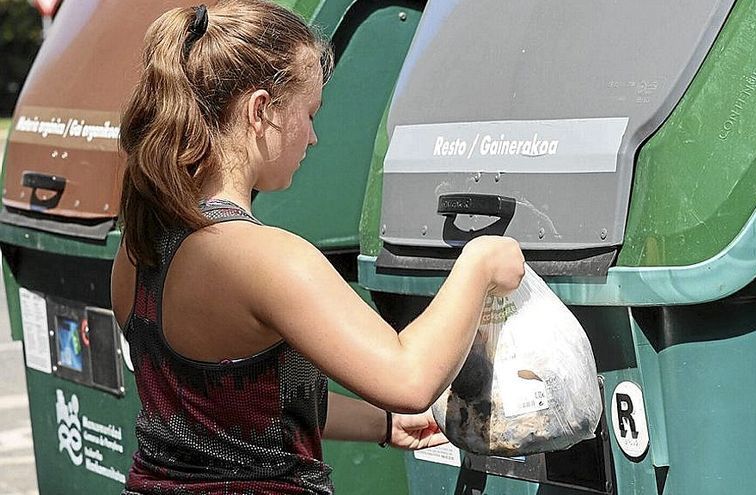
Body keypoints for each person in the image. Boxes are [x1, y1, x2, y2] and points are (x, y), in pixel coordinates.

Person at [110, 1, 525, 494]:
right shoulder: (263, 258)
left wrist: (382, 424)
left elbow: (230, 407)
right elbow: (410, 378)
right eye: (308, 113)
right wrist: (478, 265)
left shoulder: (139, 247)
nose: (312, 137)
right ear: (261, 111)